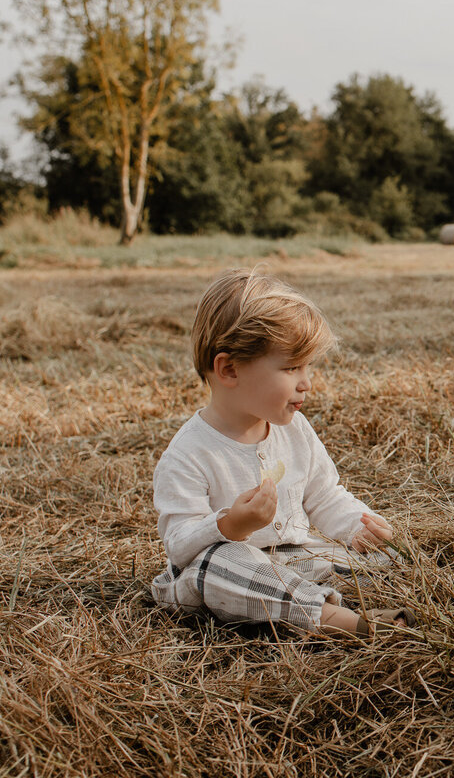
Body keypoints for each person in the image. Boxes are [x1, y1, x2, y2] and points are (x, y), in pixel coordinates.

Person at [149, 267, 413, 635]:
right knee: (217, 566)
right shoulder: (189, 454)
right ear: (229, 369)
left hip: (296, 560)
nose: (306, 383)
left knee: (384, 557)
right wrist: (230, 525)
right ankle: (341, 621)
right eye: (291, 367)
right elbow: (180, 545)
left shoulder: (295, 431)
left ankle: (325, 597)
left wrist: (358, 527)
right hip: (224, 571)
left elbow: (324, 495)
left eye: (307, 367)